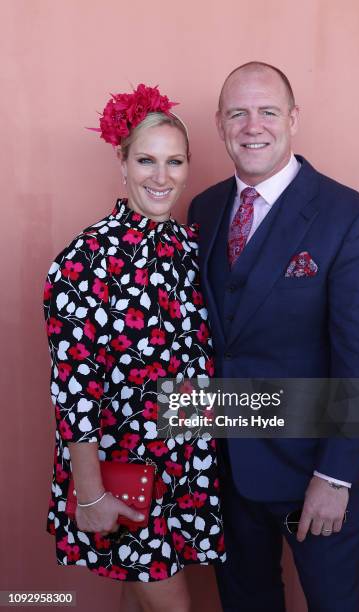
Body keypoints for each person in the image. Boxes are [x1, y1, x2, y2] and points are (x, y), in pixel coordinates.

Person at [188, 62, 359, 611]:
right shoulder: (204, 209)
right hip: (223, 473)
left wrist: (336, 476)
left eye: (268, 111)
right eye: (238, 113)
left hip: (313, 473)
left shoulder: (351, 217)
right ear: (220, 123)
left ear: (293, 119)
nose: (252, 126)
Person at [43, 84, 225, 612]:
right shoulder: (85, 260)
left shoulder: (190, 246)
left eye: (174, 161)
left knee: (137, 589)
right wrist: (92, 494)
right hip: (122, 472)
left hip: (181, 463)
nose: (161, 176)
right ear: (122, 164)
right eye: (146, 160)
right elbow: (73, 392)